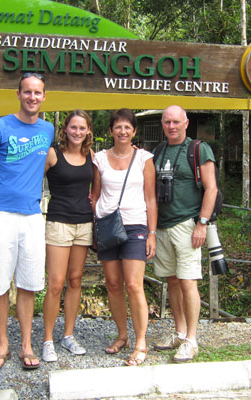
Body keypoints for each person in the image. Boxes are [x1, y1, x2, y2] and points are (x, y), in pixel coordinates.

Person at [0, 72, 54, 371]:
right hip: (1, 216)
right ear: (18, 94)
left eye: (38, 93)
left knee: (29, 284)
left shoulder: (48, 129)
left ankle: (26, 344)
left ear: (44, 97)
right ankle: (3, 343)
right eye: (27, 92)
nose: (33, 97)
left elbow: (50, 161)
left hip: (32, 216)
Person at [91, 108, 157, 366]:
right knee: (113, 283)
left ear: (134, 131)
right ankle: (122, 335)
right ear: (111, 131)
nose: (122, 131)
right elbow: (94, 196)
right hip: (108, 226)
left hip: (135, 226)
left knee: (133, 284)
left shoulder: (144, 158)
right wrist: (94, 227)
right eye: (118, 127)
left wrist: (152, 232)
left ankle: (141, 342)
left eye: (127, 127)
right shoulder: (99, 159)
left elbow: (151, 198)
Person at [152, 105, 218, 363]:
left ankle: (191, 339)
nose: (172, 126)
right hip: (163, 225)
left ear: (186, 123)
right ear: (162, 123)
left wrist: (202, 223)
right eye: (167, 122)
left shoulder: (199, 149)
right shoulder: (158, 150)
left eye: (176, 122)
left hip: (187, 225)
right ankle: (179, 333)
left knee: (189, 281)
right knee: (172, 280)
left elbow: (211, 188)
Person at [41, 110, 94, 362]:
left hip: (83, 223)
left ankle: (68, 335)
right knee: (55, 282)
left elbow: (98, 186)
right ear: (65, 129)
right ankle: (48, 340)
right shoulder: (53, 154)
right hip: (59, 222)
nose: (77, 132)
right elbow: (31, 179)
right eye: (73, 127)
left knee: (75, 280)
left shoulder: (90, 155)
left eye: (82, 128)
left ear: (88, 131)